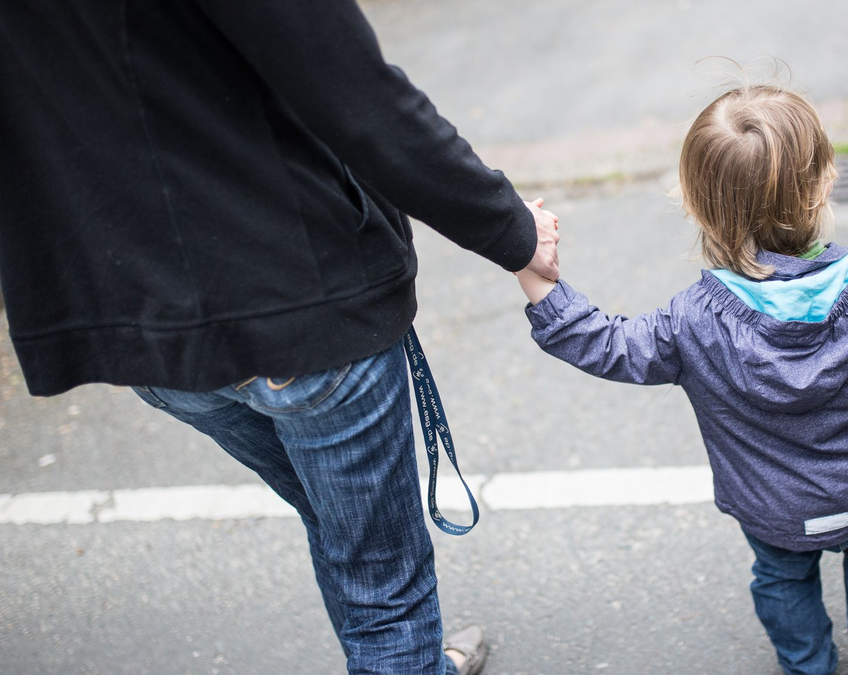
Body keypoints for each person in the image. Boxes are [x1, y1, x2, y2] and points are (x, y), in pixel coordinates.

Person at [0, 1, 559, 673]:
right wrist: (510, 228)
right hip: (297, 298)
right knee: (382, 588)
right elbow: (359, 95)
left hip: (142, 324)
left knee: (340, 528)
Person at [515, 84, 848, 675]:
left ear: (697, 206)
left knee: (781, 578)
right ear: (823, 185)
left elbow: (606, 344)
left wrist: (532, 267)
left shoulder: (689, 322)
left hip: (770, 509)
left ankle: (807, 665)